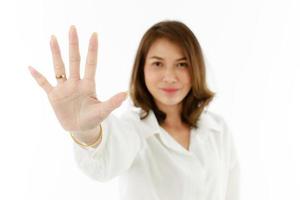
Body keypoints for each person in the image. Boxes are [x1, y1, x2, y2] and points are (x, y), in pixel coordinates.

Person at [28, 20, 240, 200]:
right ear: (142, 70)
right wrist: (85, 132)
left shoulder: (218, 130)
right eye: (157, 64)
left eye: (182, 64)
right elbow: (105, 161)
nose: (169, 76)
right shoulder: (132, 129)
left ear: (196, 68)